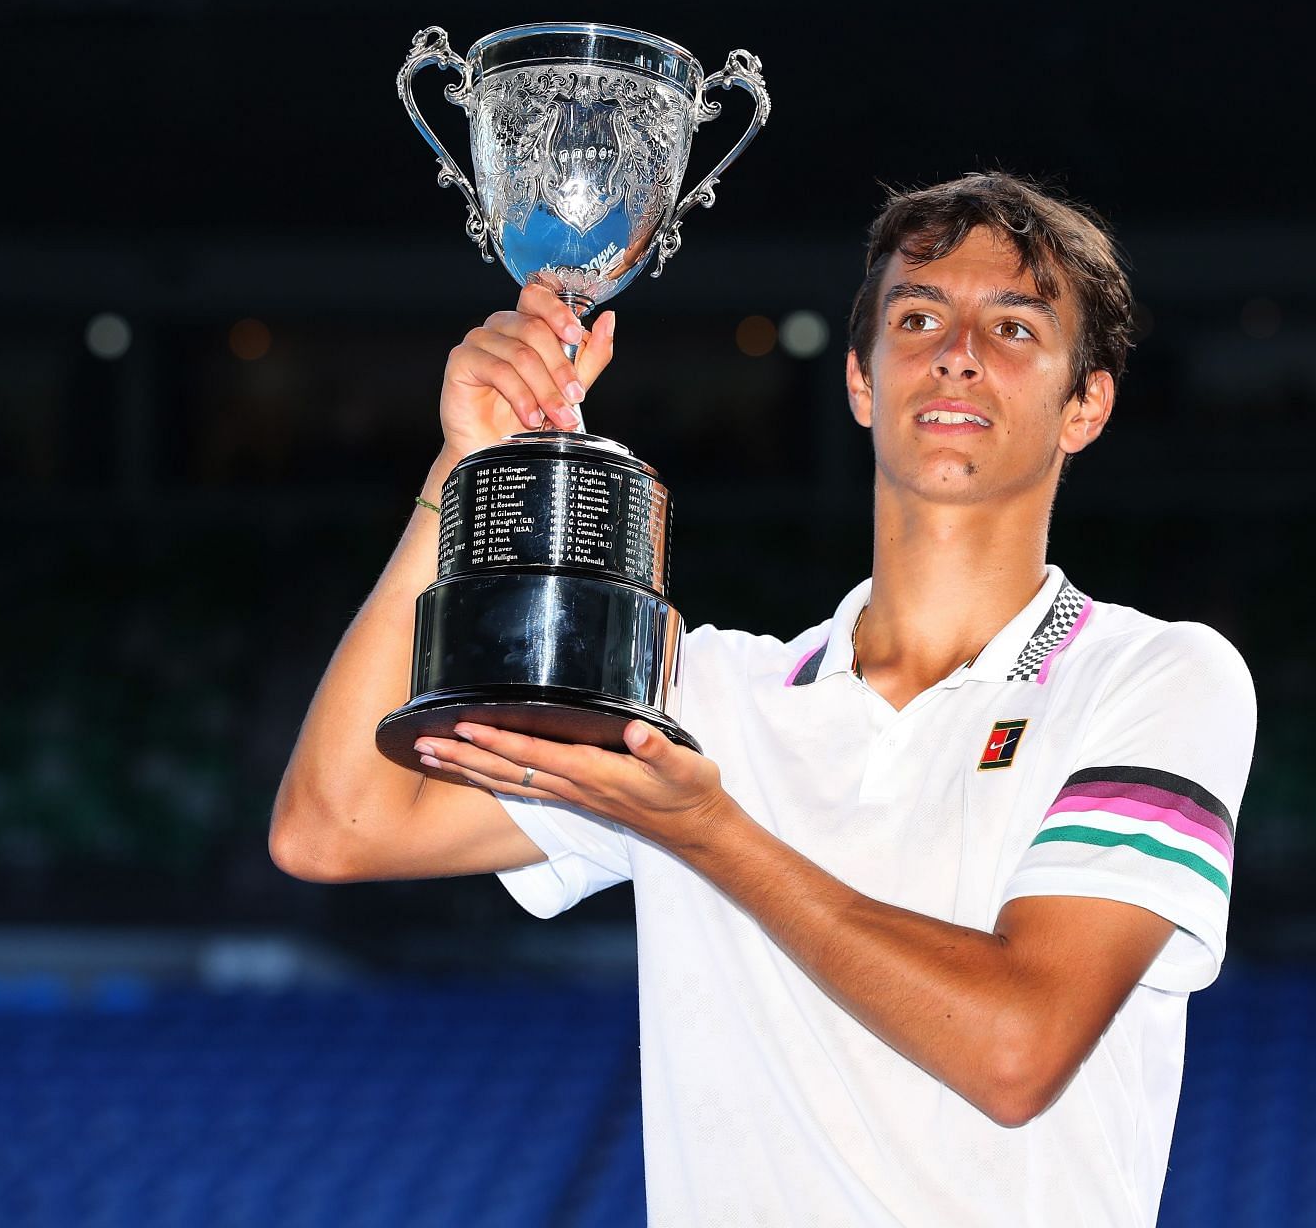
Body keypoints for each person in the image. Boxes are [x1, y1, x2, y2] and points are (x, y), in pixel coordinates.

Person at [270, 172, 1257, 1226]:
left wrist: (707, 833)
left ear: (1086, 402)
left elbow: (1015, 1050)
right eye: (917, 316)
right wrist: (466, 465)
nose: (957, 349)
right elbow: (336, 826)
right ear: (861, 381)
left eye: (1014, 326)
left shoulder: (1156, 675)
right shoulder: (699, 691)